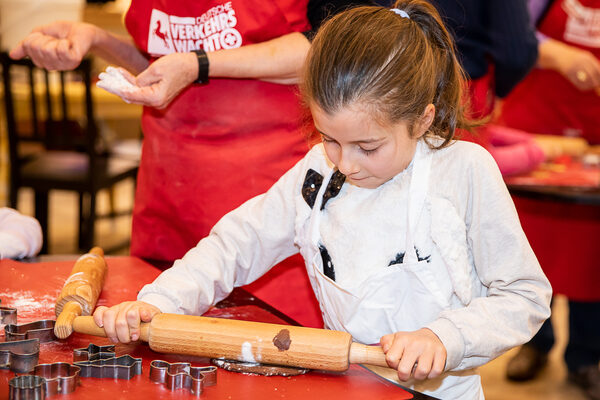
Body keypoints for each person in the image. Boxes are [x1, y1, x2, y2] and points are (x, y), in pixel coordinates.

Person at [92, 2, 552, 399]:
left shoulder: (463, 172)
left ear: (421, 119)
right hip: (346, 384)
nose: (346, 164)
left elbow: (524, 295)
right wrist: (161, 302)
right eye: (331, 139)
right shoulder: (317, 173)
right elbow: (236, 244)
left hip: (440, 393)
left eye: (368, 147)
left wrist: (444, 337)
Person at [9, 0, 372, 328]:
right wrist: (97, 40)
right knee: (160, 330)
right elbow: (160, 67)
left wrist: (199, 64)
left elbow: (333, 48)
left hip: (262, 192)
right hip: (168, 189)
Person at [497, 1, 600, 398]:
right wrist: (555, 53)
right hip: (535, 135)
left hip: (593, 140)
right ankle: (534, 343)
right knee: (531, 255)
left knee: (591, 262)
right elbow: (508, 40)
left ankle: (586, 357)